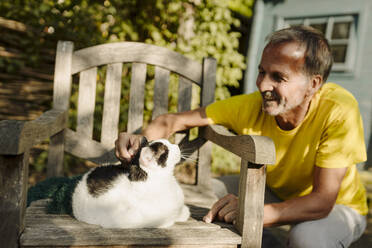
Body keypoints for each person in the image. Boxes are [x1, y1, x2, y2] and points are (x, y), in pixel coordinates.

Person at [115, 26, 368, 248]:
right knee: (193, 198)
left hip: (337, 206)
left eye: (278, 77)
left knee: (308, 240)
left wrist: (252, 212)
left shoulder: (339, 110)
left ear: (313, 84)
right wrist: (140, 145)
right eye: (262, 72)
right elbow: (170, 121)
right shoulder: (250, 105)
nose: (262, 86)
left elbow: (322, 201)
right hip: (275, 190)